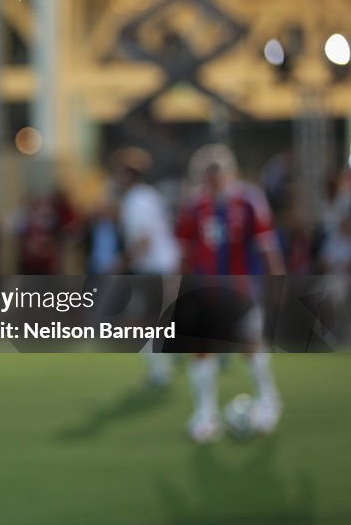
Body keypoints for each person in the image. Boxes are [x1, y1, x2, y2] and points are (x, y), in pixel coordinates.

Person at [174, 144, 284, 443]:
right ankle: (205, 414)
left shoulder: (249, 200)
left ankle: (269, 400)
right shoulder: (195, 206)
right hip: (205, 289)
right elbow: (185, 250)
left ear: (230, 172)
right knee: (201, 349)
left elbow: (267, 246)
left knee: (250, 345)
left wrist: (277, 283)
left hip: (240, 287)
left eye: (218, 173)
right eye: (207, 175)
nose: (213, 180)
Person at [111, 148, 181, 387]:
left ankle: (160, 371)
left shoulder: (136, 200)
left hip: (155, 268)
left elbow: (144, 240)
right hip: (161, 265)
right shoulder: (146, 196)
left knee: (139, 321)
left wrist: (120, 263)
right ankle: (161, 368)